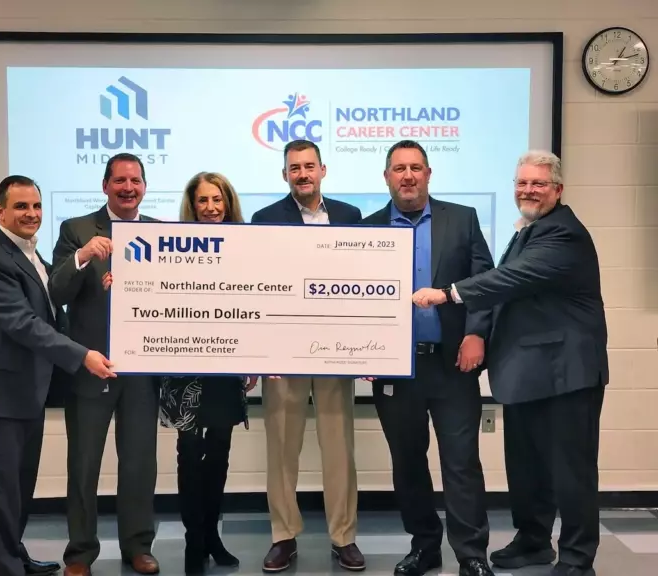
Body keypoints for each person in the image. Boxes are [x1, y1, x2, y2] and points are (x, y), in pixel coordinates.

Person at [413, 150, 607, 576]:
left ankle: (577, 559)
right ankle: (534, 541)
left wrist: (449, 293)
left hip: (565, 373)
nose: (528, 190)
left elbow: (509, 280)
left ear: (558, 189)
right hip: (526, 373)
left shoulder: (564, 234)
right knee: (527, 466)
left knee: (570, 471)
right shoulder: (529, 231)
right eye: (522, 183)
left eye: (538, 183)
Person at [0, 175, 116, 576]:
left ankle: (13, 556)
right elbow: (24, 324)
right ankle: (1, 568)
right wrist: (82, 356)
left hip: (26, 392)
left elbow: (53, 301)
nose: (31, 214)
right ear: (0, 211)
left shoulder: (29, 253)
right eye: (21, 207)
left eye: (36, 207)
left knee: (18, 487)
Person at [102, 171, 257, 575]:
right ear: (193, 205)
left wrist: (257, 357)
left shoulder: (249, 246)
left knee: (219, 456)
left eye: (218, 200)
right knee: (190, 458)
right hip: (184, 370)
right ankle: (193, 541)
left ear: (229, 203)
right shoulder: (169, 245)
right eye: (204, 200)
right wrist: (120, 284)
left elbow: (259, 301)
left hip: (227, 368)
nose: (211, 208)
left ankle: (212, 537)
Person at [361, 140, 495, 576]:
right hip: (396, 369)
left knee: (461, 462)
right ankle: (424, 546)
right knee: (408, 462)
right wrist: (361, 352)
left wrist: (476, 334)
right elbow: (356, 300)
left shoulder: (462, 219)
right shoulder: (369, 228)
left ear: (429, 173)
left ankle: (471, 553)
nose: (407, 176)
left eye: (415, 167)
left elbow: (485, 283)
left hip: (452, 364)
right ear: (386, 177)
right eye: (398, 168)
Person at [251, 139, 366, 573]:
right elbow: (255, 286)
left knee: (339, 448)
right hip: (282, 351)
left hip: (337, 349)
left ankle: (344, 536)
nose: (302, 174)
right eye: (294, 168)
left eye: (309, 166)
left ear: (323, 170)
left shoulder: (351, 218)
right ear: (285, 175)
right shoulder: (264, 220)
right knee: (282, 447)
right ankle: (284, 536)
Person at [48, 153, 161, 576]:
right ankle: (79, 553)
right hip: (91, 366)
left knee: (138, 464)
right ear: (105, 186)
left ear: (144, 187)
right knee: (83, 464)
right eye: (119, 180)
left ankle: (137, 546)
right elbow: (55, 292)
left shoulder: (158, 233)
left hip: (140, 371)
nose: (127, 187)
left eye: (135, 180)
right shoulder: (76, 231)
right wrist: (82, 259)